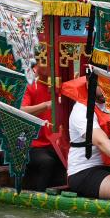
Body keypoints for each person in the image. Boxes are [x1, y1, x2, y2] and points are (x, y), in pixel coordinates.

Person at [20, 63, 67, 192]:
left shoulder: (60, 85)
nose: (51, 65)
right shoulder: (28, 84)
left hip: (55, 143)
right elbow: (21, 110)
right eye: (44, 60)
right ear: (36, 65)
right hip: (31, 144)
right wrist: (46, 105)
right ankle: (39, 196)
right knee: (46, 162)